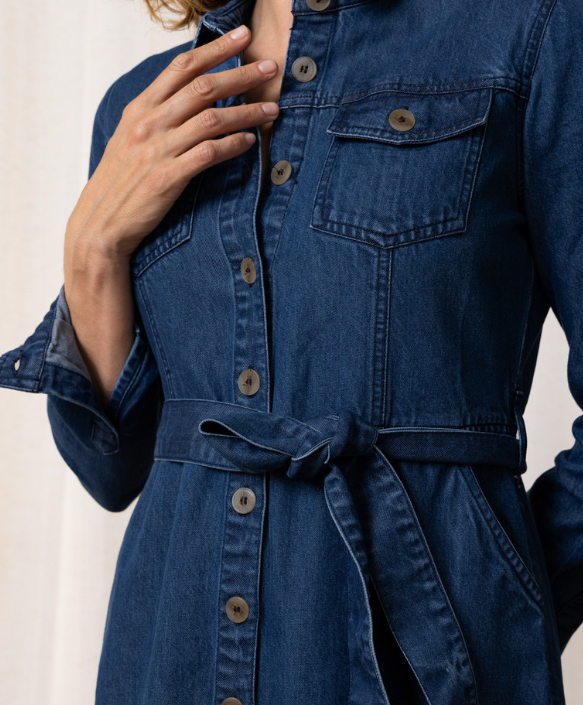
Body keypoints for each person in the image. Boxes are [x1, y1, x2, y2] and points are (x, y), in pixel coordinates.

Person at [1, 0, 582, 702]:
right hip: (170, 657)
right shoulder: (145, 106)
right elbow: (110, 468)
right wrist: (91, 248)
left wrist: (493, 618)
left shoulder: (532, 34)